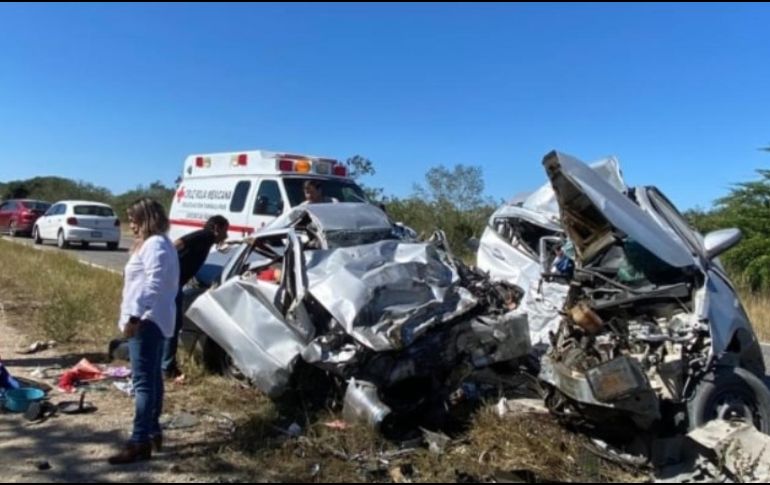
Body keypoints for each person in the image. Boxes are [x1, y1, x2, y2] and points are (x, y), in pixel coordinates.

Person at [109, 198, 179, 465]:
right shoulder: (159, 243)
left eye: (134, 219)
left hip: (147, 322)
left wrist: (135, 317)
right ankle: (152, 431)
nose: (132, 225)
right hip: (153, 320)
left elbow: (153, 285)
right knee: (152, 379)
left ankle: (139, 441)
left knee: (142, 384)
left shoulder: (155, 245)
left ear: (147, 219)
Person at [162, 215, 229, 380]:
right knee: (173, 324)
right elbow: (177, 244)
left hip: (173, 283)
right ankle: (167, 367)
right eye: (225, 231)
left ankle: (164, 364)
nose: (226, 235)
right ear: (217, 228)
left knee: (169, 324)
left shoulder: (207, 240)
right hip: (171, 284)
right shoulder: (204, 235)